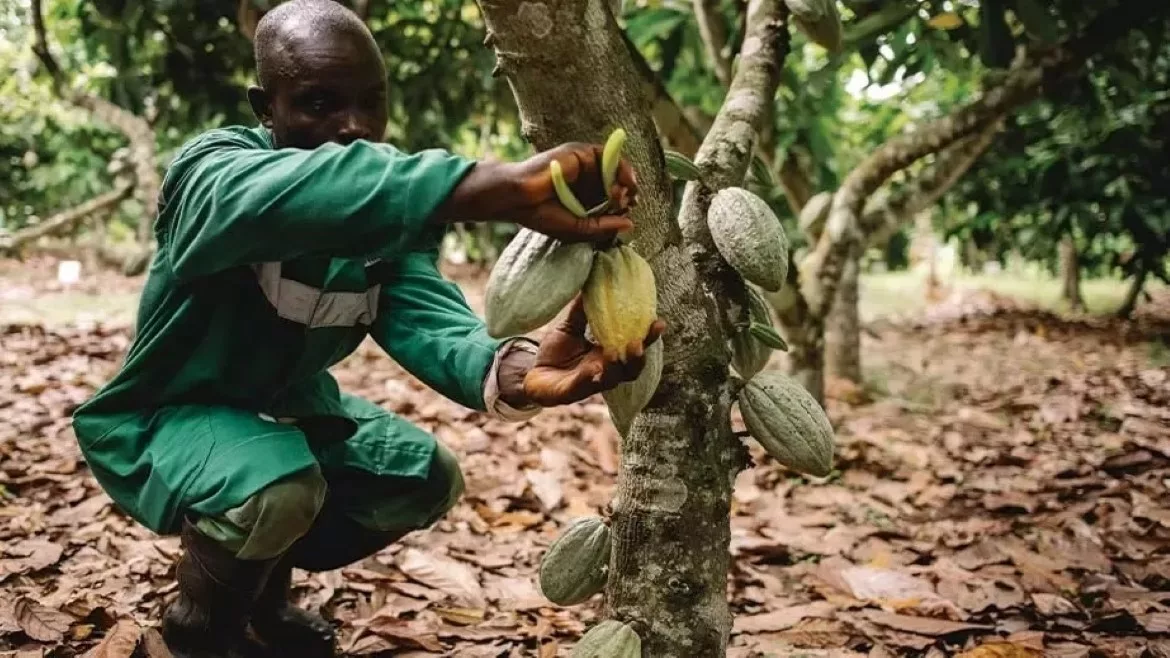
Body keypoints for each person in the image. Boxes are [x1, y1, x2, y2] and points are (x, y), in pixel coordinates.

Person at [69, 1, 665, 656]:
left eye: (369, 104)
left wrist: (515, 370)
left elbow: (426, 314)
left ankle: (263, 596)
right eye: (318, 103)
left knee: (423, 477)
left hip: (292, 415)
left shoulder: (385, 218)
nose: (353, 127)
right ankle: (200, 625)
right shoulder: (213, 170)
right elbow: (277, 195)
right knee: (277, 486)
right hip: (173, 414)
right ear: (265, 107)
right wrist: (476, 185)